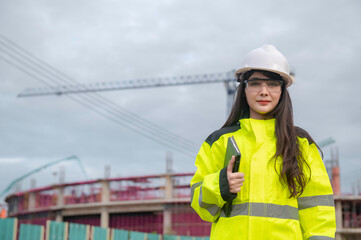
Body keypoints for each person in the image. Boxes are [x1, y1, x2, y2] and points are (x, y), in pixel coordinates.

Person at [190, 44, 336, 239]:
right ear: (244, 89)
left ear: (283, 90)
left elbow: (318, 211)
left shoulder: (301, 144)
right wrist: (220, 186)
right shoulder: (219, 142)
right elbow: (202, 209)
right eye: (256, 83)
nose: (264, 91)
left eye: (273, 84)